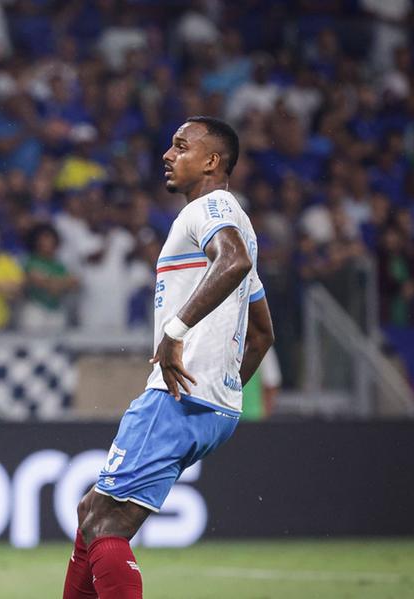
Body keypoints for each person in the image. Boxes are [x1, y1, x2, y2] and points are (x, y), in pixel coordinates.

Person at [63, 117, 274, 599]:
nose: (167, 154)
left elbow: (233, 261)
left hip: (175, 397)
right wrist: (222, 388)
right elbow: (262, 333)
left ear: (211, 161)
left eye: (181, 146)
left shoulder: (210, 209)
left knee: (103, 523)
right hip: (212, 407)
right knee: (92, 514)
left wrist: (174, 334)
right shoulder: (239, 220)